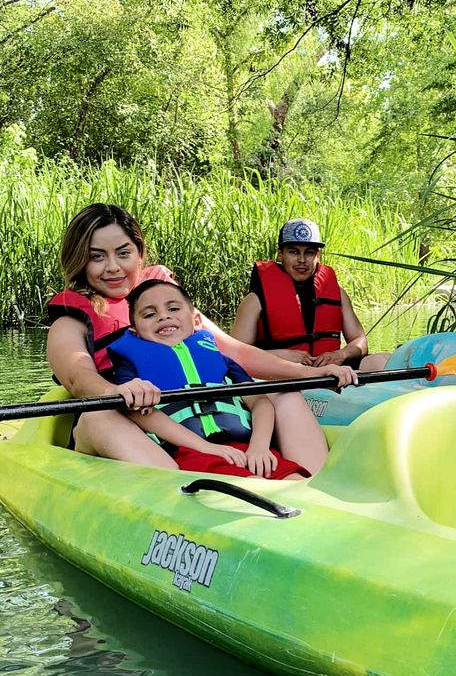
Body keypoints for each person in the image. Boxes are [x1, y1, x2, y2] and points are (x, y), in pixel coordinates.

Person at [45, 203, 356, 473]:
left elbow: (235, 351)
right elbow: (78, 379)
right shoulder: (72, 319)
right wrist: (121, 390)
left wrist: (312, 374)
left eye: (123, 253)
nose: (112, 267)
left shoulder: (167, 303)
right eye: (97, 257)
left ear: (139, 254)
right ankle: (183, 504)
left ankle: (313, 487)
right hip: (131, 423)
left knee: (286, 394)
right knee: (99, 415)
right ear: (80, 261)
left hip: (201, 416)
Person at [109, 279, 307, 479]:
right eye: (150, 314)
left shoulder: (221, 361)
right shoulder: (129, 369)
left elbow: (260, 402)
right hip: (191, 454)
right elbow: (138, 412)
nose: (163, 316)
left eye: (174, 308)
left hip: (246, 447)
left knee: (294, 480)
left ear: (196, 320)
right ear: (135, 332)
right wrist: (207, 448)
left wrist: (260, 446)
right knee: (255, 485)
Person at [231, 218, 391, 372]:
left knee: (382, 360)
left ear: (318, 255)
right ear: (280, 254)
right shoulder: (255, 300)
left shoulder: (338, 294)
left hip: (331, 371)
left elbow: (360, 341)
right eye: (293, 252)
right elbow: (235, 354)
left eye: (309, 253)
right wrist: (279, 356)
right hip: (282, 373)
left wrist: (341, 354)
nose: (302, 260)